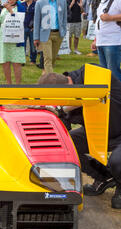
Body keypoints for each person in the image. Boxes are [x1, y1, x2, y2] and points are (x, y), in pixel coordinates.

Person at [38, 66, 121, 209]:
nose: (57, 104)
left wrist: (62, 108)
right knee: (66, 144)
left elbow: (93, 95)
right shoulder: (64, 104)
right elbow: (60, 127)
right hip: (100, 131)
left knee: (117, 162)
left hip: (118, 128)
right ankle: (104, 176)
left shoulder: (91, 75)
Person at [0, 0, 26, 84]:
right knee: (5, 62)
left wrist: (10, 10)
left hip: (16, 38)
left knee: (16, 62)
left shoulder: (21, 7)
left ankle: (18, 85)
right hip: (3, 38)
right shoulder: (2, 7)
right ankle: (8, 84)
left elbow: (22, 21)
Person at [33, 0, 68, 74]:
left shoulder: (63, 2)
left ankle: (44, 77)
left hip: (58, 34)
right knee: (48, 58)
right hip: (45, 35)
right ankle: (51, 82)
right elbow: (36, 21)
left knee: (53, 59)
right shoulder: (39, 2)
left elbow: (64, 17)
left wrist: (64, 31)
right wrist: (36, 37)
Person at [90, 0, 121, 81]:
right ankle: (109, 93)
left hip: (113, 41)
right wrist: (96, 40)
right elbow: (99, 21)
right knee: (104, 73)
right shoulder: (102, 2)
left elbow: (106, 18)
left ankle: (117, 93)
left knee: (114, 73)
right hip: (102, 41)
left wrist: (111, 18)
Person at [23, 0, 37, 64]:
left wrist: (35, 26)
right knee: (22, 45)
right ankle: (22, 60)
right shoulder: (22, 4)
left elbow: (37, 16)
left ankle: (33, 60)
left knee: (33, 45)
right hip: (23, 27)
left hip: (32, 28)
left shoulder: (36, 4)